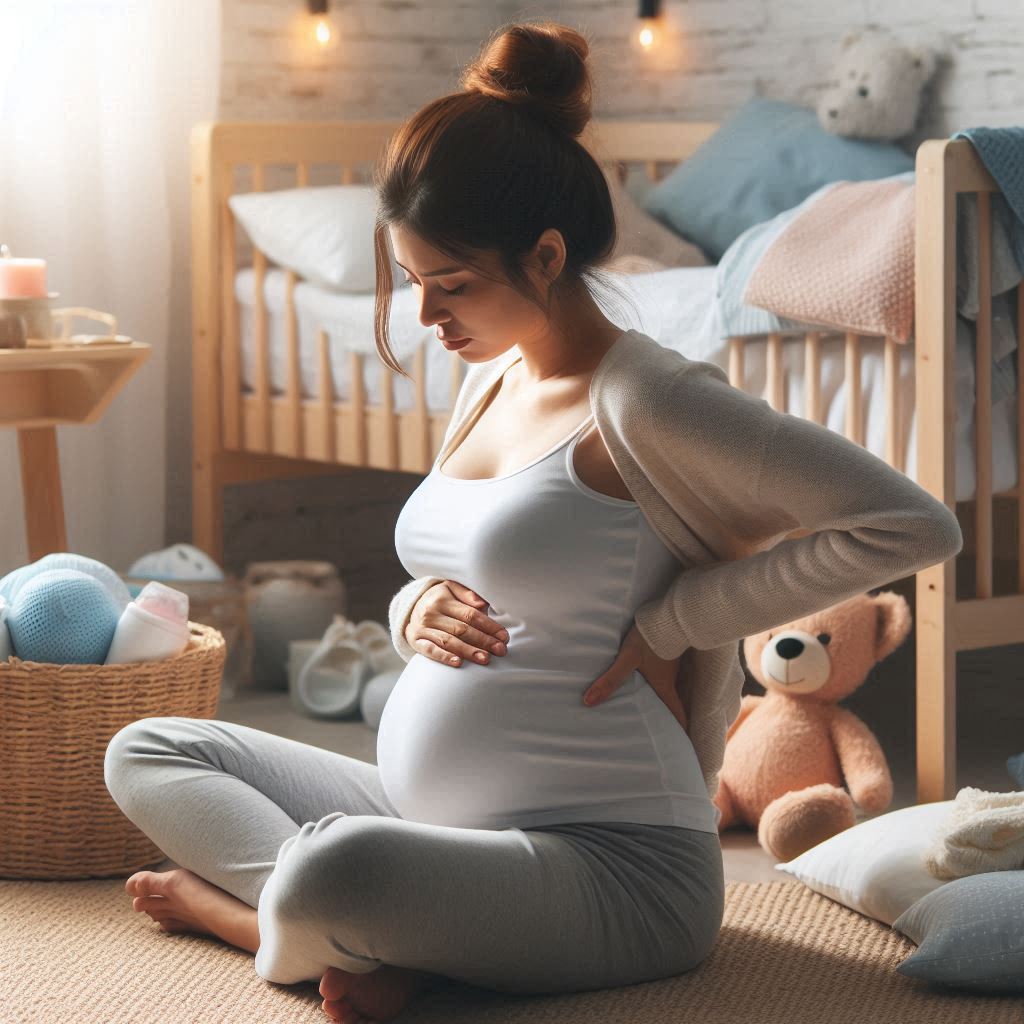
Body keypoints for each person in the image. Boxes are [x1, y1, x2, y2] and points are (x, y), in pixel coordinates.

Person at [104, 19, 963, 1024]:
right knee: (148, 748)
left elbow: (912, 525)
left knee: (333, 871)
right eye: (413, 284)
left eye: (450, 285)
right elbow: (471, 552)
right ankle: (393, 938)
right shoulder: (491, 377)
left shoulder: (648, 398)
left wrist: (676, 620)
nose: (427, 319)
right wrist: (413, 603)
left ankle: (256, 919)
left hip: (616, 867)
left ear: (546, 255)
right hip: (431, 815)